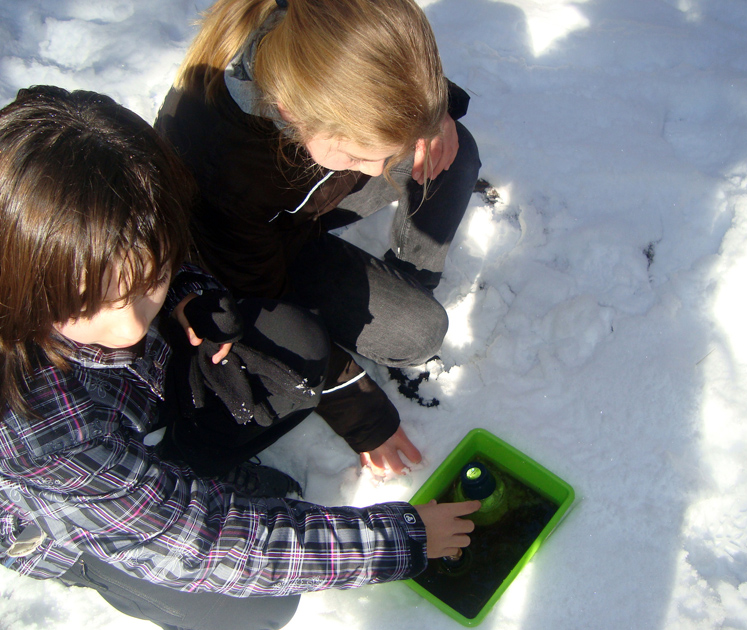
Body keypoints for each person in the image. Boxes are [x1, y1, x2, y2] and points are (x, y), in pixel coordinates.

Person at [0, 85, 479, 630]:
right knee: (259, 606)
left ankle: (192, 462)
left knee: (296, 348)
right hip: (84, 522)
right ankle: (104, 566)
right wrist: (404, 539)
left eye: (146, 285)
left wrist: (186, 292)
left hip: (143, 402)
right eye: (95, 305)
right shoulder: (40, 436)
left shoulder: (99, 262)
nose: (132, 326)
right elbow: (207, 545)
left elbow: (172, 258)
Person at [155, 0, 482, 476]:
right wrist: (361, 415)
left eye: (382, 153)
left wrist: (432, 116)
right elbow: (264, 301)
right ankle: (383, 318)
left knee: (450, 153)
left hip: (307, 198)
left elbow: (380, 68)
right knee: (419, 333)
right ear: (292, 111)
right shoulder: (221, 163)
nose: (381, 170)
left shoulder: (322, 27)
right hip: (262, 249)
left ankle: (403, 281)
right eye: (356, 155)